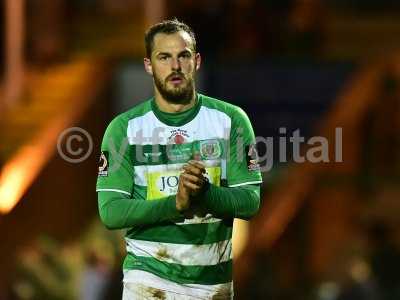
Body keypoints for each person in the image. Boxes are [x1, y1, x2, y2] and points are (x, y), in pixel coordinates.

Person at [96, 18, 262, 299]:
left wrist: (205, 194)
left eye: (183, 56)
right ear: (148, 65)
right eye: (164, 57)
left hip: (212, 284)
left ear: (196, 61)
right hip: (147, 279)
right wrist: (177, 203)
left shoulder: (231, 120)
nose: (175, 66)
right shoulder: (124, 129)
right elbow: (111, 211)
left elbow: (250, 201)